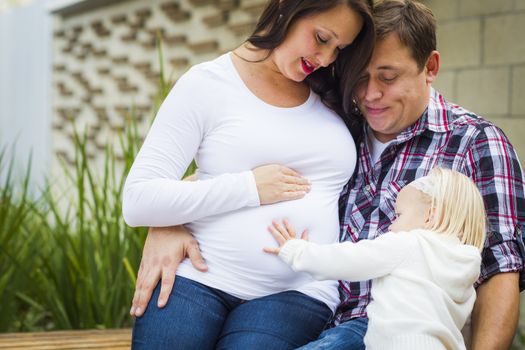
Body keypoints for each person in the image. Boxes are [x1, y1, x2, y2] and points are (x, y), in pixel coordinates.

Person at [122, 0, 375, 348]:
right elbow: (138, 199)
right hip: (198, 278)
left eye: (339, 49)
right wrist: (249, 188)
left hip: (297, 291)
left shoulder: (336, 94)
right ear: (289, 6)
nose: (327, 58)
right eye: (321, 38)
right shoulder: (207, 84)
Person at [295, 1, 525, 349]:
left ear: (430, 67)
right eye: (359, 77)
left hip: (394, 332)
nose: (370, 94)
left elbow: (501, 269)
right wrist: (180, 220)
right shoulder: (337, 131)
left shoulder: (475, 142)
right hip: (306, 308)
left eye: (388, 77)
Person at [264, 167, 487, 350]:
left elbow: (348, 259)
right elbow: (464, 326)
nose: (391, 225)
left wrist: (295, 250)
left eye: (399, 215)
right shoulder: (467, 266)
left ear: (430, 216)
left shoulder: (410, 243)